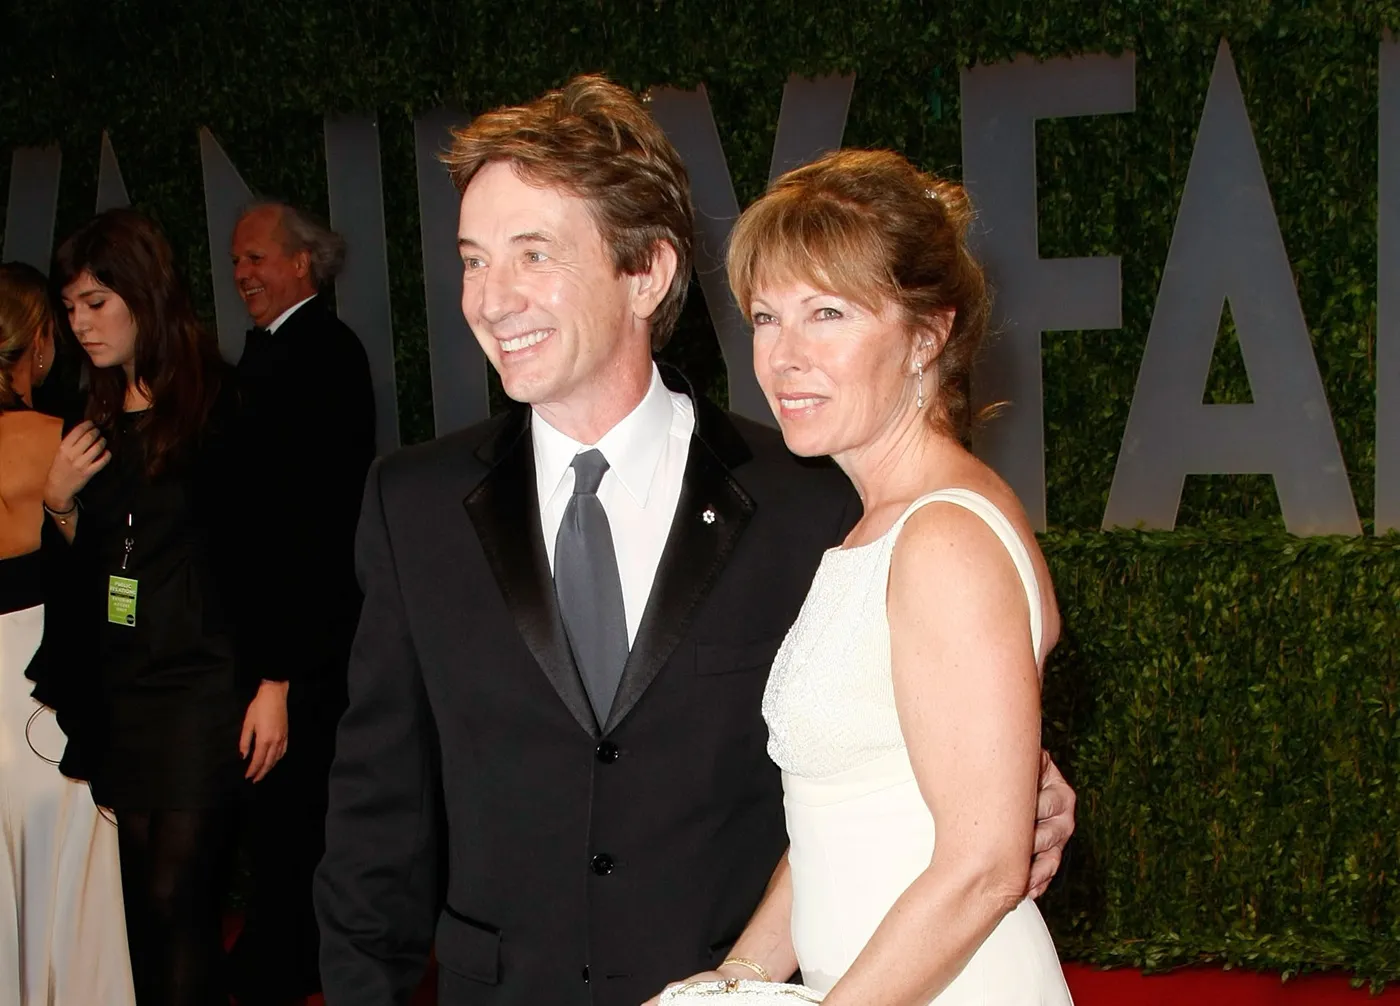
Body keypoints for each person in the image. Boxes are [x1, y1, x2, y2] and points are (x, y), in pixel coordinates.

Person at [313, 75, 1077, 1006]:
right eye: (474, 259)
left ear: (649, 274)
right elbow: (373, 822)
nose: (493, 297)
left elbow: (939, 760)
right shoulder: (413, 505)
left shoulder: (810, 500)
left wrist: (1016, 785)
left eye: (533, 253)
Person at [661, 149, 1073, 1004]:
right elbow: (837, 824)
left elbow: (984, 870)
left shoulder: (943, 538)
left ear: (927, 334)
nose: (784, 357)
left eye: (829, 313)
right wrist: (734, 982)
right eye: (766, 318)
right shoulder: (874, 527)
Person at [46, 209, 261, 1006]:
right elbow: (82, 577)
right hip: (124, 685)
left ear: (144, 293)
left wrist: (273, 680)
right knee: (141, 903)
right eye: (71, 308)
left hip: (204, 680)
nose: (81, 324)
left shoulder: (217, 401)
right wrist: (59, 505)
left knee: (181, 896)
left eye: (96, 302)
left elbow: (266, 548)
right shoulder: (89, 420)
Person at [227, 200, 375, 1005]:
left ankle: (290, 965)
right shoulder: (276, 353)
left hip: (302, 653)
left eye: (256, 258)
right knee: (281, 820)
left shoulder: (323, 356)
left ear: (303, 265)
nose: (242, 272)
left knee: (295, 823)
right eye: (236, 260)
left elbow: (314, 529)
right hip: (280, 650)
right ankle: (283, 956)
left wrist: (279, 674)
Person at [0, 261, 135, 1006]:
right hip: (42, 689)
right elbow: (113, 572)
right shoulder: (64, 440)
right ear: (41, 344)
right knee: (73, 885)